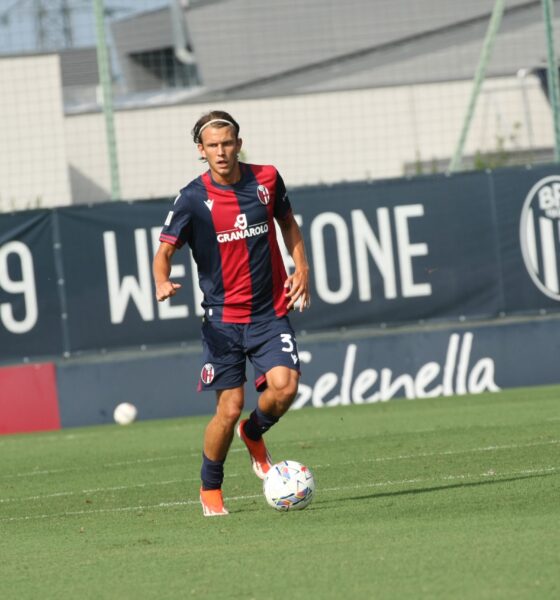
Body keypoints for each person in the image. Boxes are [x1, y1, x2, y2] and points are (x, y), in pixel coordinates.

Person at [152, 110, 311, 516]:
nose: (221, 152)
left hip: (269, 313)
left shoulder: (267, 179)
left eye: (227, 143)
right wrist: (161, 281)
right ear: (201, 151)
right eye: (213, 146)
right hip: (223, 321)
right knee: (228, 407)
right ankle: (210, 489)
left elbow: (288, 225)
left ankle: (254, 433)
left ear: (238, 144)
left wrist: (302, 269)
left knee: (286, 386)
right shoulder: (192, 198)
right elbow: (164, 253)